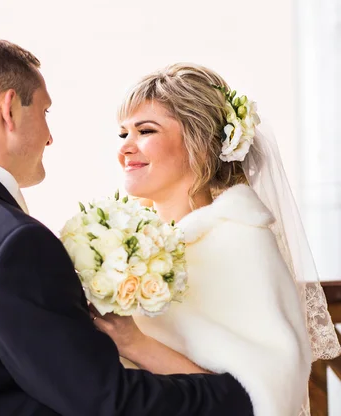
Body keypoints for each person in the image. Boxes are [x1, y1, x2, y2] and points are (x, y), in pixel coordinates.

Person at [0, 38, 253, 415]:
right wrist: (234, 394)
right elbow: (105, 401)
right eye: (45, 112)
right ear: (9, 110)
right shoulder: (15, 242)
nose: (50, 137)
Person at [91, 63, 341, 415]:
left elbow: (265, 397)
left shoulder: (240, 242)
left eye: (145, 131)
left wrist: (133, 342)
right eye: (122, 134)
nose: (125, 149)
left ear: (200, 145)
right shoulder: (119, 242)